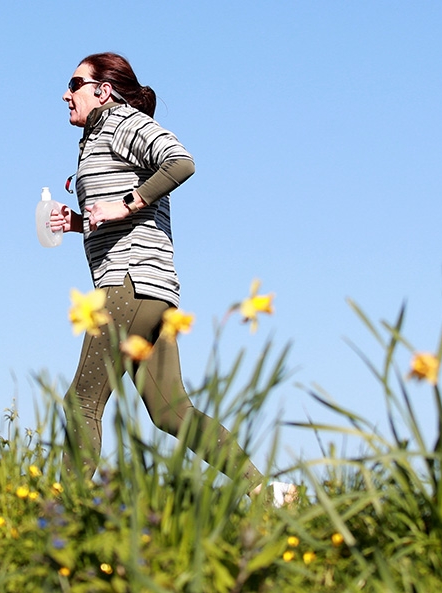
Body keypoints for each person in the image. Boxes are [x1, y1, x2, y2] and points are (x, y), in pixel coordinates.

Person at [50, 52, 295, 506]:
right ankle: (268, 492)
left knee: (82, 402)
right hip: (152, 291)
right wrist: (79, 222)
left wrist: (125, 203)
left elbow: (180, 162)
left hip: (128, 283)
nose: (66, 94)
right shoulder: (98, 136)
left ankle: (62, 516)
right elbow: (118, 215)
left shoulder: (124, 123)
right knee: (170, 410)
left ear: (103, 90)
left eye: (75, 83)